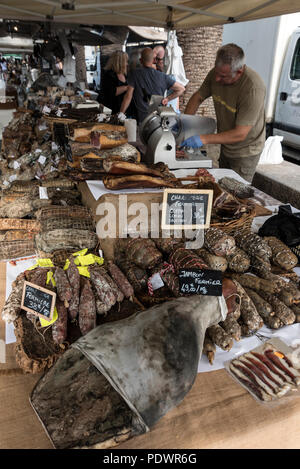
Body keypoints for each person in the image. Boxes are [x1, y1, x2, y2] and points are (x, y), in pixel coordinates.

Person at [182, 43, 266, 182]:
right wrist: (184, 123)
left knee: (236, 195)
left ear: (239, 72)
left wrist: (203, 138)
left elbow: (240, 133)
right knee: (222, 186)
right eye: (216, 72)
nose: (217, 79)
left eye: (223, 76)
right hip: (226, 145)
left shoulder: (253, 88)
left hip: (245, 151)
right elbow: (198, 97)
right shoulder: (217, 73)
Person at [120, 47, 185, 124]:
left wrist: (121, 114)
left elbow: (128, 96)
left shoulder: (134, 74)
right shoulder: (163, 76)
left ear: (140, 60)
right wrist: (167, 99)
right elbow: (181, 89)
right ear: (154, 60)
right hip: (159, 120)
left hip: (142, 121)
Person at [99, 50, 136, 118]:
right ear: (119, 62)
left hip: (124, 112)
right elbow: (111, 92)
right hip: (112, 111)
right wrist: (126, 88)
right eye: (125, 61)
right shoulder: (109, 74)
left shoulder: (125, 75)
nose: (127, 64)